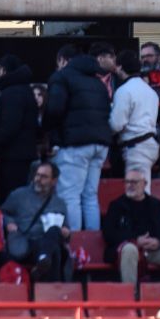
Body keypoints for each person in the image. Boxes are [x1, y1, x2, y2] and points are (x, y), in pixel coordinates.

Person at [42, 47, 112, 232]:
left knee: (69, 195)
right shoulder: (98, 82)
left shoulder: (61, 77)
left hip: (75, 144)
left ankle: (73, 242)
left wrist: (46, 131)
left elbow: (54, 110)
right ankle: (92, 241)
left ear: (62, 60)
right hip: (101, 143)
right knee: (90, 196)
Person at [105, 166, 160, 285]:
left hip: (154, 250)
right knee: (129, 249)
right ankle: (131, 293)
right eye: (127, 182)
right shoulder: (116, 206)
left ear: (144, 184)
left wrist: (159, 241)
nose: (130, 185)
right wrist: (135, 240)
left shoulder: (158, 205)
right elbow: (109, 233)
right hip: (131, 250)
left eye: (134, 182)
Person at [1, 161, 73, 281]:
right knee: (54, 251)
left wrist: (66, 232)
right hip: (26, 243)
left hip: (48, 241)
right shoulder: (18, 195)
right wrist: (9, 222)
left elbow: (66, 229)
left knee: (54, 237)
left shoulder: (59, 203)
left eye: (44, 177)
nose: (38, 179)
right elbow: (3, 213)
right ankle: (50, 284)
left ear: (54, 181)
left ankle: (43, 260)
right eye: (37, 175)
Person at [108, 50, 160, 181]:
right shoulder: (151, 91)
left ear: (120, 67)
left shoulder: (124, 91)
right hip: (150, 144)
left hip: (135, 147)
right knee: (142, 187)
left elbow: (116, 124)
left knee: (137, 190)